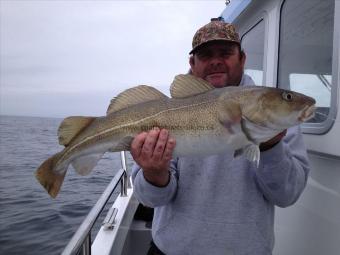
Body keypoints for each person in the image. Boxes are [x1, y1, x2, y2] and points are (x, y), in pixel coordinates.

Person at [131, 19, 310, 255]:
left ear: (242, 59)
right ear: (192, 63)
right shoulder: (167, 113)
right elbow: (150, 199)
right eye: (206, 55)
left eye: (225, 53)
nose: (216, 61)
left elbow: (287, 195)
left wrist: (271, 147)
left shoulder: (278, 121)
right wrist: (154, 174)